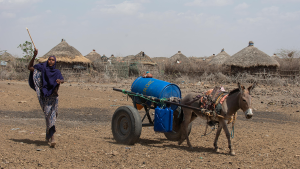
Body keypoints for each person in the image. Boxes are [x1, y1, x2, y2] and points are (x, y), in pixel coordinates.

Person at [28, 49, 64, 148]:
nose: (51, 61)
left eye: (53, 60)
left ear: (55, 62)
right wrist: (34, 56)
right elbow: (30, 67)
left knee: (52, 116)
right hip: (45, 97)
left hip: (54, 97)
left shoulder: (57, 72)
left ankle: (48, 134)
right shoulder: (42, 69)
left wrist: (59, 81)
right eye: (49, 59)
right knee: (49, 116)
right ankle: (52, 137)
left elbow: (62, 79)